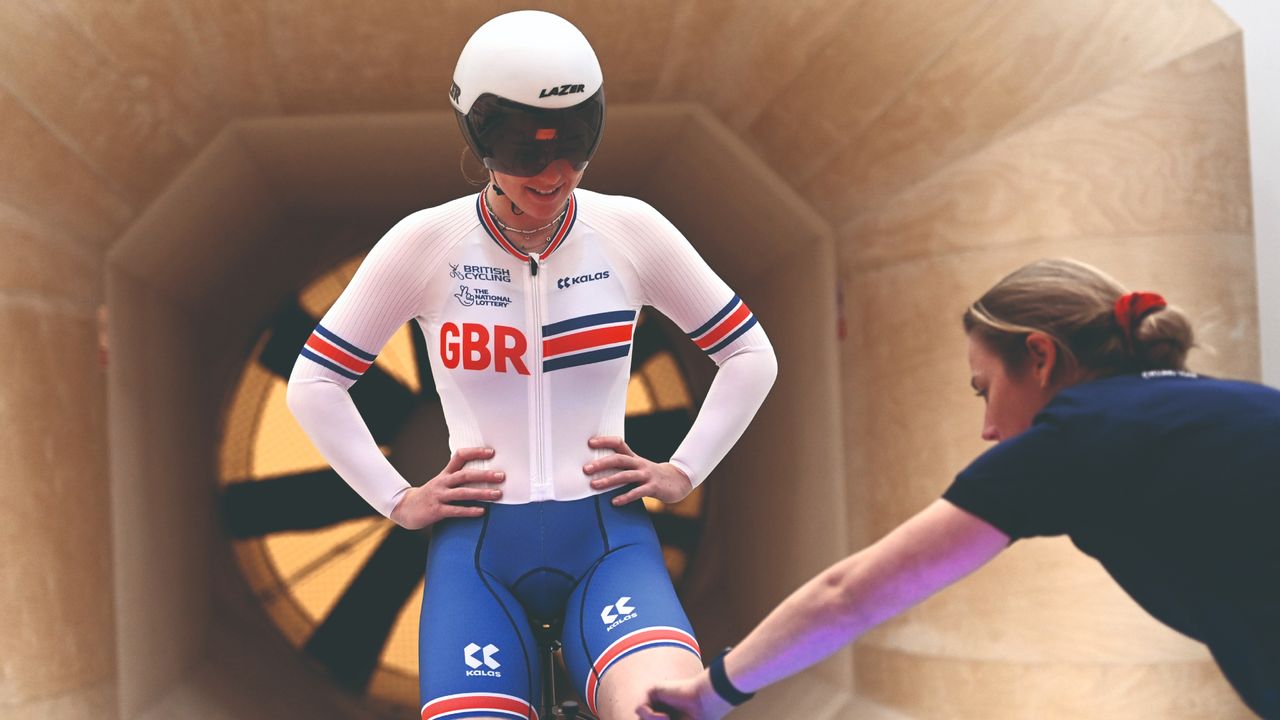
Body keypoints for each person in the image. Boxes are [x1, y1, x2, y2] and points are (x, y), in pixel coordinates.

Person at [286, 10, 777, 720]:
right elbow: (315, 381)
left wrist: (683, 471)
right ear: (478, 137)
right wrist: (397, 499)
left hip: (610, 542)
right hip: (478, 556)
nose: (553, 173)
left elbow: (749, 353)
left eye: (576, 144)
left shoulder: (630, 230)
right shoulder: (426, 244)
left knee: (672, 713)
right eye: (523, 149)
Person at [639, 258, 1279, 719]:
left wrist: (711, 692)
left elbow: (848, 596)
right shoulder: (1222, 405)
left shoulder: (1077, 437)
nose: (990, 429)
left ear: (1040, 357)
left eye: (985, 389)